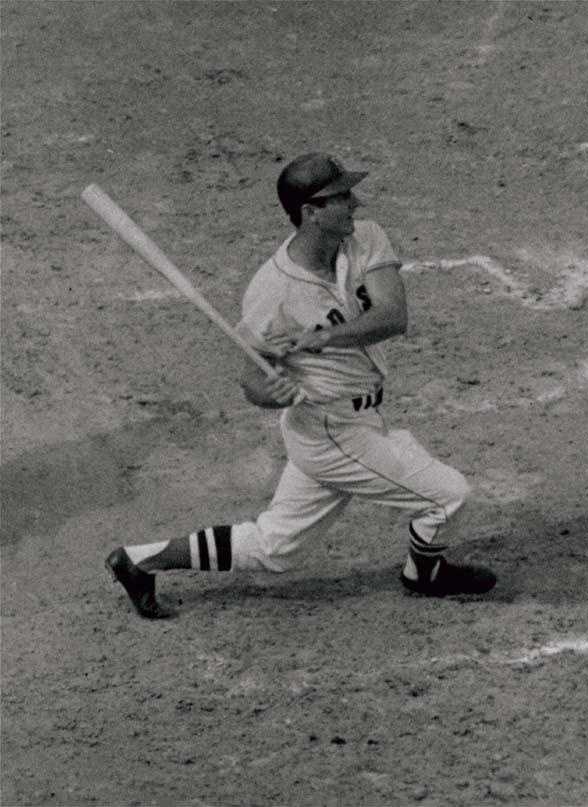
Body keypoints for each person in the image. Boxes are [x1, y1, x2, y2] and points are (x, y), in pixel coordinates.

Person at [106, 153, 496, 619]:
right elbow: (252, 377)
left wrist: (323, 337)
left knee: (276, 547)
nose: (355, 202)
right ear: (311, 213)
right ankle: (425, 574)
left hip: (357, 419)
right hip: (330, 430)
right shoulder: (271, 292)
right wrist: (267, 394)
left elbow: (393, 316)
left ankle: (138, 558)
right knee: (448, 495)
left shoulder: (365, 238)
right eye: (341, 197)